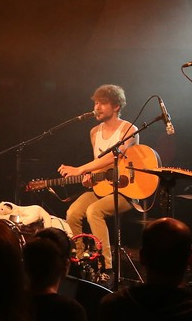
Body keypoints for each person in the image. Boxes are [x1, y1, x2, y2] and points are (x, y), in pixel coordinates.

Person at [58, 84, 139, 277]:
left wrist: (80, 169)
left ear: (116, 106)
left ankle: (106, 267)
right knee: (73, 213)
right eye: (95, 103)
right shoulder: (94, 132)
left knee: (94, 211)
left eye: (102, 103)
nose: (97, 107)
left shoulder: (129, 128)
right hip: (101, 188)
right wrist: (89, 178)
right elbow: (99, 164)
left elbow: (115, 157)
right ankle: (80, 259)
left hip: (127, 190)